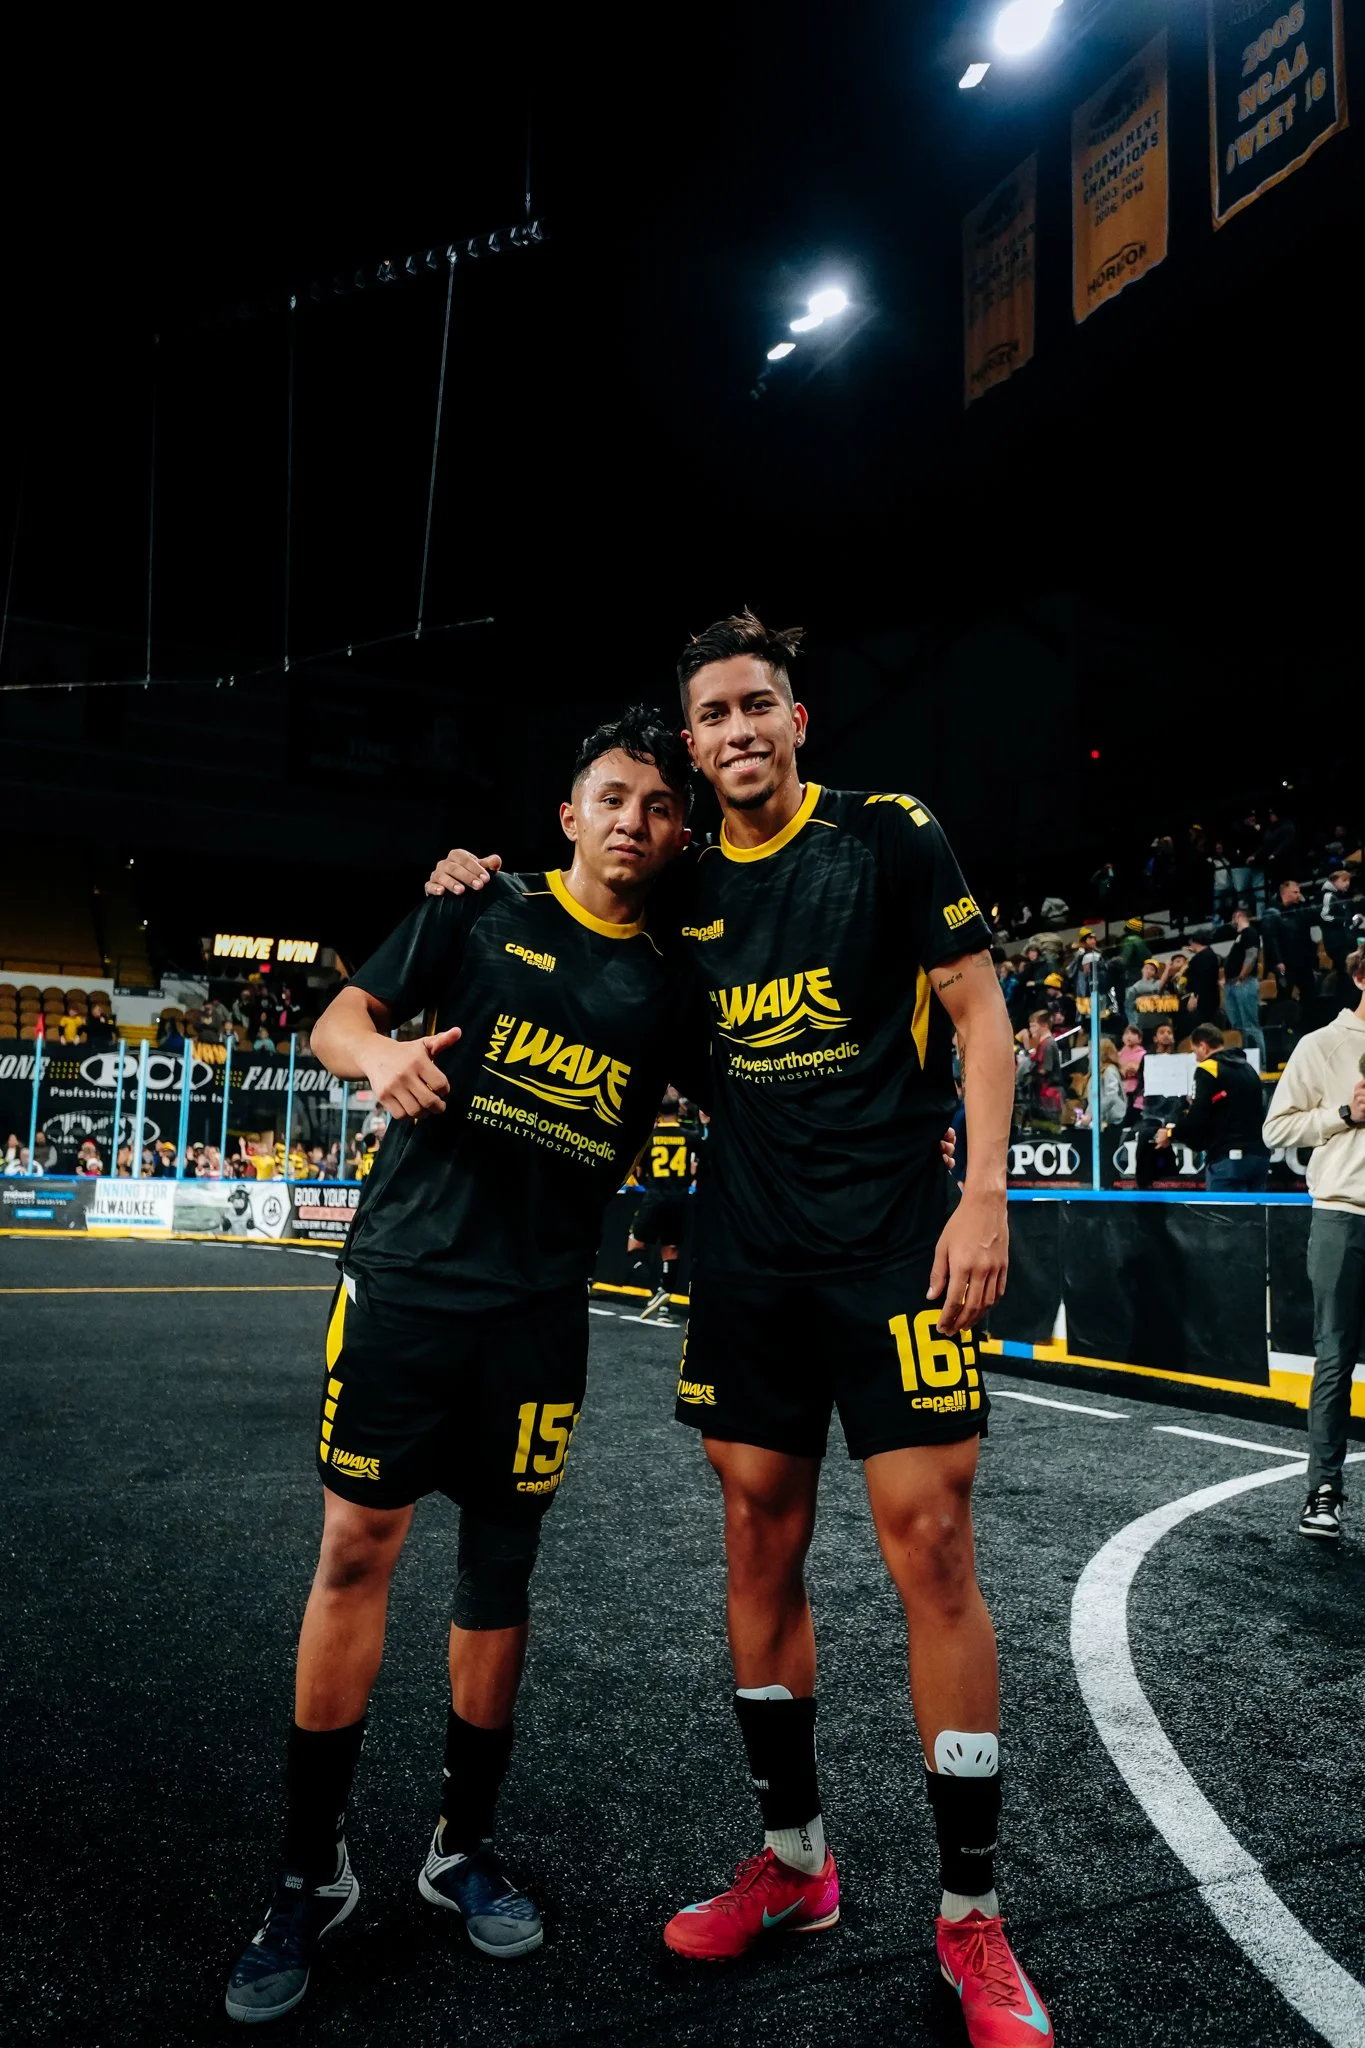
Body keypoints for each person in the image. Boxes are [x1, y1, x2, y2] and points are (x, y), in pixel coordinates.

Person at [428, 613, 1051, 2045]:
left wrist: (985, 1197)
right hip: (749, 1263)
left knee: (934, 1549)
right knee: (756, 1540)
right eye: (709, 717)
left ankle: (973, 1922)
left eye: (756, 705)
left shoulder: (887, 838)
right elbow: (579, 898)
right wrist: (476, 881)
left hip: (898, 1246)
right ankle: (793, 1865)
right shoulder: (685, 873)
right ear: (691, 743)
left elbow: (979, 1013)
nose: (735, 732)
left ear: (797, 720)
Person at [223, 709, 698, 2026]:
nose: (630, 821)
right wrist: (377, 1055)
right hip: (411, 1284)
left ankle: (458, 1850)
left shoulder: (670, 985)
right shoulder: (476, 905)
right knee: (356, 1553)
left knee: (501, 1575)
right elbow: (338, 1019)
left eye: (658, 809)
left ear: (675, 837)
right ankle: (306, 1871)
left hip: (542, 1315)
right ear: (567, 811)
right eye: (611, 796)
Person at [1263, 948, 1365, 1542]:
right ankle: (1322, 1491)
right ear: (1358, 976)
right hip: (1341, 1217)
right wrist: (1342, 1115)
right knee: (1335, 1358)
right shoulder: (1322, 1044)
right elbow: (1277, 1128)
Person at [1154, 1024, 1268, 1191]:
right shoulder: (1248, 1068)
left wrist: (1171, 1133)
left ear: (1203, 1046)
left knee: (1224, 1216)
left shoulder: (1208, 1068)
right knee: (1254, 1216)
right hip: (1259, 1157)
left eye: (1194, 1052)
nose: (1195, 1058)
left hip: (1228, 1158)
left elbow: (1198, 1116)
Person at [625, 1089, 692, 1325]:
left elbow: (639, 1170)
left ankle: (656, 1291)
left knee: (634, 1246)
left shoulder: (651, 1137)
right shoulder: (689, 1136)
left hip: (655, 1197)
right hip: (680, 1200)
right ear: (678, 1111)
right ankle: (665, 1304)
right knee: (671, 1251)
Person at [1264, 879, 1319, 1004]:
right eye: (1294, 892)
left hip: (1302, 960)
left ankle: (1309, 1021)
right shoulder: (1272, 912)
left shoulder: (1299, 909)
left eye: (1299, 892)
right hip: (1285, 963)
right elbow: (1271, 939)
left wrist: (1305, 903)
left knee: (1310, 992)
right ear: (1284, 893)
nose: (1298, 895)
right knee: (1285, 993)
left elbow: (1314, 918)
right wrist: (1278, 961)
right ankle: (1285, 1021)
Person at [1222, 907, 1263, 1047]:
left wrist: (1241, 977)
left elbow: (1251, 956)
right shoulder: (1240, 937)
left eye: (1234, 918)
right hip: (1232, 984)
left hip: (1244, 983)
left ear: (1238, 916)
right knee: (1237, 1028)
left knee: (1250, 1025)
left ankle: (1260, 1063)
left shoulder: (1250, 933)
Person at [1181, 934, 1222, 1029]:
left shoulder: (1199, 958)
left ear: (1195, 943)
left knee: (1200, 1027)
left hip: (1202, 999)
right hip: (1212, 996)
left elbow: (1200, 980)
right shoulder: (1210, 954)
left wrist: (1194, 996)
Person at [1117, 1024, 1145, 1125]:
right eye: (1126, 1033)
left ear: (1139, 1038)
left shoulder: (1143, 1054)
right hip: (1122, 1092)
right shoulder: (1118, 1055)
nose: (1129, 1036)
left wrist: (1136, 1070)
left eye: (1133, 1033)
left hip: (1137, 1092)